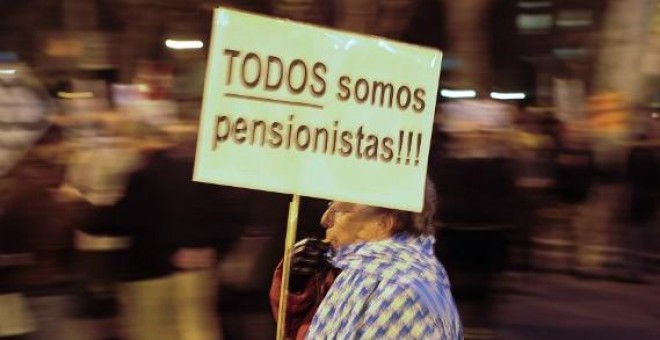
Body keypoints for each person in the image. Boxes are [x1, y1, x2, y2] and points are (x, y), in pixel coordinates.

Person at [270, 181, 462, 339]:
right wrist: (295, 284)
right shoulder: (355, 277)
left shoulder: (399, 292)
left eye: (341, 210)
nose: (325, 219)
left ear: (383, 223)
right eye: (330, 206)